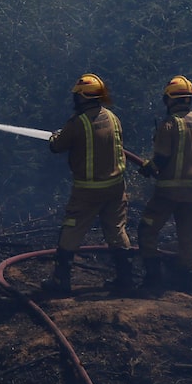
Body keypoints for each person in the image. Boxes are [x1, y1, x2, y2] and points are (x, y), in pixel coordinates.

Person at [42, 73, 133, 296]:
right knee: (117, 230)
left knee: (71, 230)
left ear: (83, 97)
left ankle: (61, 281)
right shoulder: (112, 118)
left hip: (88, 191)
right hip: (116, 187)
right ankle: (125, 280)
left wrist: (55, 137)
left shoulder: (78, 123)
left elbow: (57, 146)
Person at [137, 75, 192, 294]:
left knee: (147, 230)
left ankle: (153, 281)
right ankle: (186, 289)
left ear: (169, 99)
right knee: (188, 240)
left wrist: (148, 167)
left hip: (167, 193)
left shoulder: (170, 124)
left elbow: (161, 158)